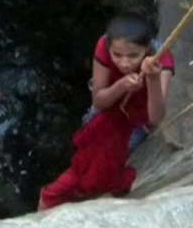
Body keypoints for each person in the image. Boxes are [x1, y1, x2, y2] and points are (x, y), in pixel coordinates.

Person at [38, 12, 174, 210]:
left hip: (135, 122)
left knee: (110, 163)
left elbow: (155, 118)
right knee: (88, 152)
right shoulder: (104, 45)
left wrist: (152, 79)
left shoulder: (162, 61)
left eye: (133, 56)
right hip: (109, 107)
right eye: (117, 55)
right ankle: (89, 185)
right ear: (110, 47)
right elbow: (99, 101)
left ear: (146, 49)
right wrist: (120, 86)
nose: (125, 63)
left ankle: (98, 189)